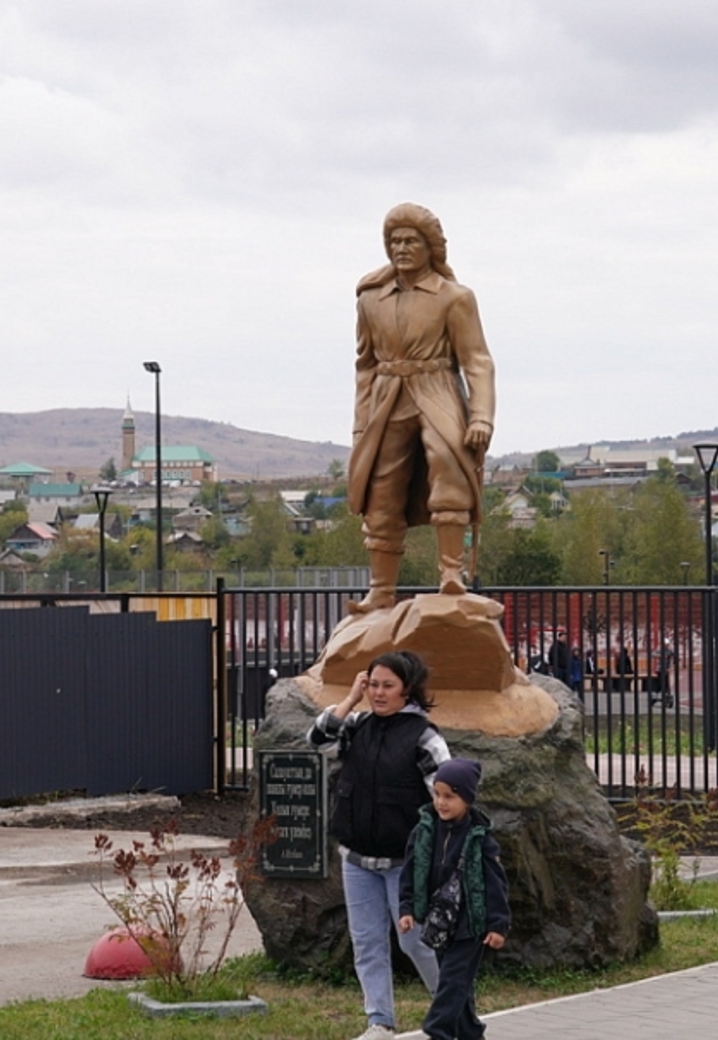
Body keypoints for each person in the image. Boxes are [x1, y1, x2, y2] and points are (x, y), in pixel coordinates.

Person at [346, 203, 496, 614]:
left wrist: (481, 415)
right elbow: (365, 367)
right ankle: (381, 590)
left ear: (431, 247)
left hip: (438, 391)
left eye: (411, 240)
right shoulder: (370, 299)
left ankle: (451, 574)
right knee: (381, 493)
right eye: (394, 241)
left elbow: (477, 361)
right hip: (387, 397)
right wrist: (361, 428)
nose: (401, 248)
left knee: (450, 472)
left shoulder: (455, 297)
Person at [308, 652, 451, 1040]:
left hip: (406, 862)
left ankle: (452, 1010)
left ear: (407, 689)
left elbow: (447, 797)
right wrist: (350, 698)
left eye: (388, 686)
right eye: (373, 684)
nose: (379, 693)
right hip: (357, 858)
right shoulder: (356, 726)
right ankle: (380, 1021)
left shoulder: (424, 737)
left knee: (416, 941)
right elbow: (318, 740)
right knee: (368, 942)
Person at [399, 758, 510, 1040]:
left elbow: (495, 883)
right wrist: (407, 908)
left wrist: (498, 925)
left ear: (468, 799)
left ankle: (438, 1030)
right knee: (458, 986)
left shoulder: (480, 838)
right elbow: (411, 872)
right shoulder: (424, 832)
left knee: (451, 981)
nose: (441, 802)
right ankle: (472, 1035)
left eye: (450, 796)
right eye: (437, 794)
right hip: (439, 922)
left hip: (470, 925)